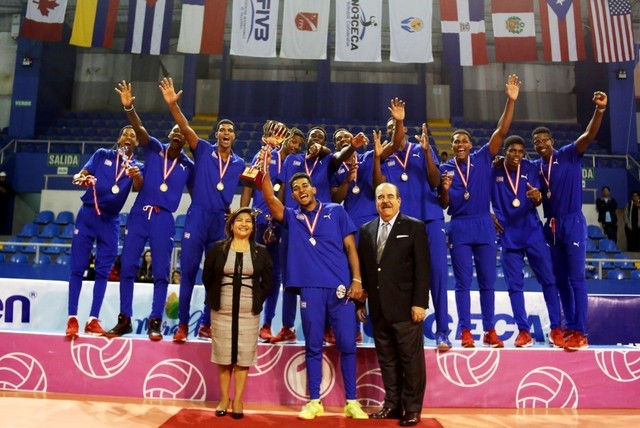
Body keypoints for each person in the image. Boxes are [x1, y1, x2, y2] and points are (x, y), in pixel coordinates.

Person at [259, 154, 368, 420]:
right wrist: (266, 160)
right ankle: (314, 401)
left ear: (313, 189)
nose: (300, 191)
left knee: (347, 345)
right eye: (295, 189)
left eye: (304, 186)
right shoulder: (292, 218)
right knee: (313, 346)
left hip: (341, 289)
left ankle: (352, 402)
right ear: (293, 196)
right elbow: (271, 200)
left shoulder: (335, 211)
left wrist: (357, 280)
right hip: (310, 289)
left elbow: (351, 248)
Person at [106, 81, 194, 341]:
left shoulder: (189, 166)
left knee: (160, 272)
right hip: (139, 214)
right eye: (174, 131)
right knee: (128, 268)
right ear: (169, 136)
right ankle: (124, 319)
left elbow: (200, 195)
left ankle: (156, 321)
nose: (178, 134)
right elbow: (139, 128)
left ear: (186, 139)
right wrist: (129, 107)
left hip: (164, 219)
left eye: (182, 132)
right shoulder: (154, 148)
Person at [160, 77, 245, 343]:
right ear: (217, 134)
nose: (226, 133)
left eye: (230, 130)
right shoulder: (203, 149)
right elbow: (184, 127)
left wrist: (241, 211)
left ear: (234, 136)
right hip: (197, 216)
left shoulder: (240, 163)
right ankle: (183, 324)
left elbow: (257, 181)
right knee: (187, 271)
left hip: (219, 222)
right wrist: (174, 105)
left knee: (215, 275)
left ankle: (207, 324)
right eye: (222, 130)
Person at [439, 74, 521, 348]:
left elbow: (501, 131)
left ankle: (489, 330)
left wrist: (510, 101)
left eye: (464, 141)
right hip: (460, 225)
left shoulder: (484, 157)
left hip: (484, 224)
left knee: (487, 281)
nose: (460, 145)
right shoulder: (445, 170)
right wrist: (444, 187)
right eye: (455, 143)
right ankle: (465, 331)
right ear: (451, 148)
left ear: (470, 145)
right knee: (463, 282)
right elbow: (444, 204)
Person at [269, 125, 365, 344]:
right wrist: (277, 219)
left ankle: (329, 328)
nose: (316, 140)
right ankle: (287, 326)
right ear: (306, 140)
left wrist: (352, 145)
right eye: (313, 136)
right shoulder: (292, 161)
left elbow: (340, 157)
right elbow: (282, 188)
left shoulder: (328, 163)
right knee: (289, 275)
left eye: (321, 138)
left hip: (323, 226)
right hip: (295, 221)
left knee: (328, 277)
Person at [533, 91, 608, 351]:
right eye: (537, 141)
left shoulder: (568, 154)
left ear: (552, 141)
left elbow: (588, 135)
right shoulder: (535, 167)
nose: (541, 143)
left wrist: (599, 111)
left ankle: (581, 332)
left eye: (545, 139)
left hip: (572, 223)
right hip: (551, 227)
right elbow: (515, 170)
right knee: (560, 280)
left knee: (577, 280)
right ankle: (568, 328)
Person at [381, 100, 452, 350]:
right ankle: (410, 335)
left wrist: (426, 153)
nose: (394, 131)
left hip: (430, 218)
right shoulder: (383, 157)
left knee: (439, 276)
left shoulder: (421, 149)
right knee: (405, 279)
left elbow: (434, 181)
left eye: (397, 126)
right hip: (403, 224)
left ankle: (443, 332)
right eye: (390, 128)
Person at [358, 182, 430, 427]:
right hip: (378, 310)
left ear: (400, 200)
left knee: (411, 362)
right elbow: (367, 271)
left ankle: (412, 409)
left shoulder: (414, 227)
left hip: (406, 309)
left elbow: (423, 269)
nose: (385, 201)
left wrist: (420, 303)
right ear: (375, 202)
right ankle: (391, 405)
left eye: (390, 196)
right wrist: (361, 302)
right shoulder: (366, 230)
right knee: (387, 360)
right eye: (380, 197)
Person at [65, 126, 143, 338]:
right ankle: (72, 318)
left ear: (136, 143)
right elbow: (81, 175)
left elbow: (140, 186)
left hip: (111, 221)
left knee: (103, 271)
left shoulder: (137, 167)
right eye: (125, 134)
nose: (128, 137)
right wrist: (81, 178)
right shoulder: (102, 155)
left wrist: (136, 176)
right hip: (88, 215)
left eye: (133, 136)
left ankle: (92, 319)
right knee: (77, 268)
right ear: (119, 139)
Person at [491, 136, 564, 348]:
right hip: (508, 235)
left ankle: (556, 329)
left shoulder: (531, 168)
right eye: (512, 151)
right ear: (505, 152)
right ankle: (523, 331)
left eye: (520, 151)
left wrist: (538, 197)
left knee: (549, 280)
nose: (516, 155)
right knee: (514, 287)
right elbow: (477, 194)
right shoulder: (493, 170)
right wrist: (489, 215)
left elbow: (540, 194)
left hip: (532, 233)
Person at [202, 207, 272, 420]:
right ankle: (224, 399)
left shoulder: (261, 250)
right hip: (221, 309)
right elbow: (207, 277)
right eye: (239, 220)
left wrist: (257, 300)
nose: (244, 224)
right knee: (224, 356)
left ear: (253, 227)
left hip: (248, 311)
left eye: (248, 221)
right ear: (231, 225)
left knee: (243, 357)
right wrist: (217, 296)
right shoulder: (217, 249)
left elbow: (268, 281)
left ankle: (238, 400)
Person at [239, 124, 302, 342]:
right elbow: (248, 185)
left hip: (282, 224)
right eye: (293, 141)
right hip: (259, 221)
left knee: (275, 277)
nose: (295, 146)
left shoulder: (297, 162)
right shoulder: (266, 153)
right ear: (284, 140)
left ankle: (266, 324)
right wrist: (243, 214)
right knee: (253, 273)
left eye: (299, 144)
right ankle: (247, 321)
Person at [0, 171, 15, 235]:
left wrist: (5, 192)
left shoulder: (7, 186)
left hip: (3, 206)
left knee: (2, 219)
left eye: (3, 177)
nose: (2, 178)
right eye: (1, 177)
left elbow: (12, 194)